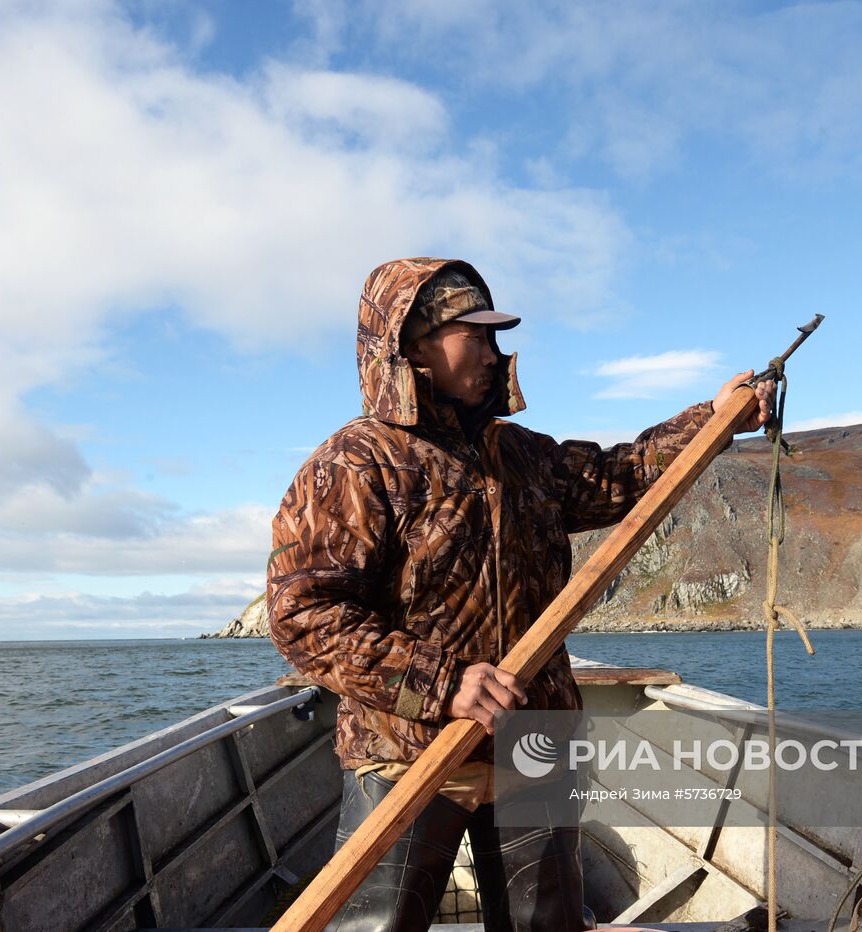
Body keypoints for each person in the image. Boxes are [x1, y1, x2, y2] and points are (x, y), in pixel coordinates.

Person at [267, 257, 773, 931]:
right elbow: (303, 614)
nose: (493, 350)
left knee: (546, 925)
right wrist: (441, 681)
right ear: (413, 345)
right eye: (471, 334)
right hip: (409, 751)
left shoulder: (525, 457)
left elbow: (624, 475)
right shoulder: (352, 465)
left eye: (494, 333)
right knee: (378, 926)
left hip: (530, 746)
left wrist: (714, 418)